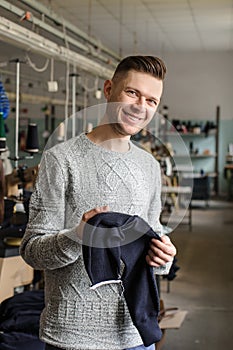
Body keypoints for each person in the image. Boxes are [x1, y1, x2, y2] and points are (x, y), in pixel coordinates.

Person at [20, 55, 176, 350]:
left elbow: (152, 236)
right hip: (73, 337)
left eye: (151, 101)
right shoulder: (60, 160)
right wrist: (77, 236)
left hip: (135, 337)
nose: (140, 107)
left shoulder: (150, 166)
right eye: (132, 93)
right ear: (108, 90)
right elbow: (32, 252)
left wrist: (163, 257)